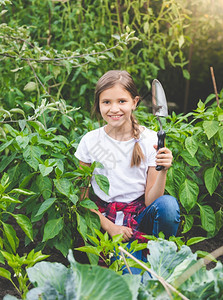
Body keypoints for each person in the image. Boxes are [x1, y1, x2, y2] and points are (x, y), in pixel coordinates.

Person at [75, 70, 180, 274]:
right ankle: (141, 264)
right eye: (106, 102)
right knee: (127, 277)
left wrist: (163, 170)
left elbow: (152, 201)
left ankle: (161, 257)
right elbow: (82, 199)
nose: (114, 108)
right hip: (104, 217)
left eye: (122, 101)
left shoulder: (149, 140)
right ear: (98, 104)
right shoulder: (90, 141)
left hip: (140, 217)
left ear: (135, 102)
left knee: (168, 205)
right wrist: (110, 227)